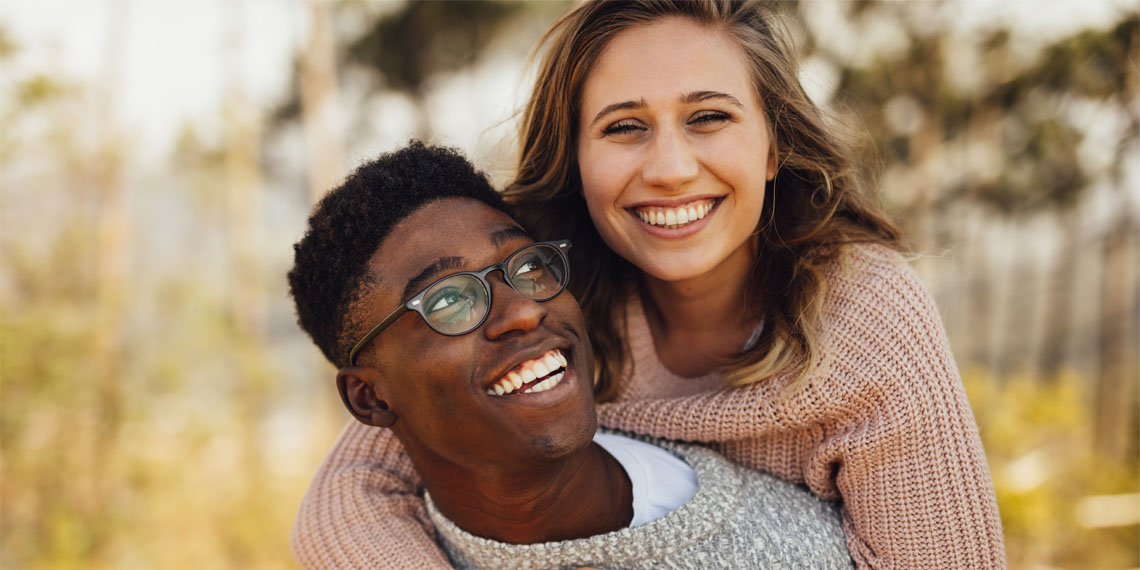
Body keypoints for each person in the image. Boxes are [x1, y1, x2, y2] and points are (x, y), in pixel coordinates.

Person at [291, 1, 1006, 569]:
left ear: (773, 146)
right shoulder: (540, 291)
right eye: (625, 127)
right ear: (577, 159)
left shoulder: (861, 312)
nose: (669, 168)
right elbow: (353, 494)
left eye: (709, 118)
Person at [287, 142, 854, 569]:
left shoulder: (781, 549)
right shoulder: (382, 546)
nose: (524, 311)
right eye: (450, 299)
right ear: (370, 397)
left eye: (527, 267)